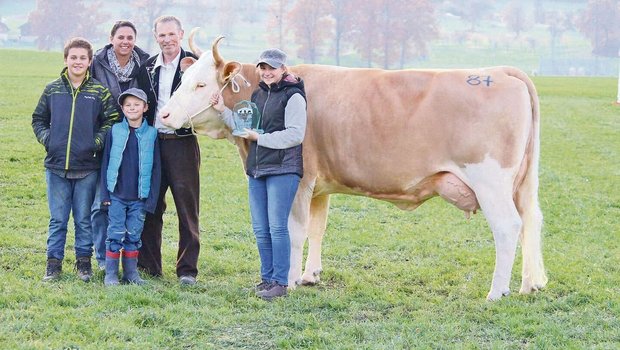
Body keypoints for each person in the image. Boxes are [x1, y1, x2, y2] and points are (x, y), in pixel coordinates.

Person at [211, 48, 307, 300]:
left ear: (283, 69)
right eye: (263, 68)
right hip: (257, 168)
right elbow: (246, 128)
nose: (266, 72)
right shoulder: (258, 95)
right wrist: (223, 110)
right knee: (261, 228)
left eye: (272, 68)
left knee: (277, 227)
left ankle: (280, 283)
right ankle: (267, 279)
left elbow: (295, 134)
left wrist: (260, 138)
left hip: (283, 168)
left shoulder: (293, 96)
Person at [32, 37, 119, 282]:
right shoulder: (52, 89)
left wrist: (96, 143)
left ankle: (84, 264)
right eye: (73, 57)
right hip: (56, 166)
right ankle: (53, 264)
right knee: (58, 219)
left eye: (83, 58)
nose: (78, 62)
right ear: (65, 59)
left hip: (87, 168)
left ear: (90, 62)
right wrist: (49, 140)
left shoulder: (98, 92)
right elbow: (38, 118)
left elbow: (111, 120)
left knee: (83, 219)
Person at [136, 15, 200, 285]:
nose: (167, 40)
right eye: (162, 35)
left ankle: (187, 270)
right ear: (156, 37)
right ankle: (149, 266)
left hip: (182, 143)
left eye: (171, 34)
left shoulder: (193, 66)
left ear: (181, 34)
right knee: (150, 206)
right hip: (153, 143)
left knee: (187, 208)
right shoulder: (148, 66)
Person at [90, 20, 150, 270]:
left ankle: (130, 259)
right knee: (100, 202)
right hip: (104, 137)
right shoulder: (97, 63)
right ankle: (104, 258)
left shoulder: (145, 65)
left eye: (130, 37)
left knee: (132, 202)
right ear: (111, 38)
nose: (125, 42)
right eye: (121, 37)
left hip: (134, 140)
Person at [100, 88, 160, 286]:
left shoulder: (152, 134)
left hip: (139, 198)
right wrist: (105, 194)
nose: (132, 108)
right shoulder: (115, 131)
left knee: (134, 235)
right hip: (117, 195)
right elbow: (106, 161)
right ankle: (111, 274)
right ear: (122, 109)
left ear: (145, 107)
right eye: (128, 105)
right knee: (115, 234)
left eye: (136, 104)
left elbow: (157, 169)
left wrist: (151, 199)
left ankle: (130, 273)